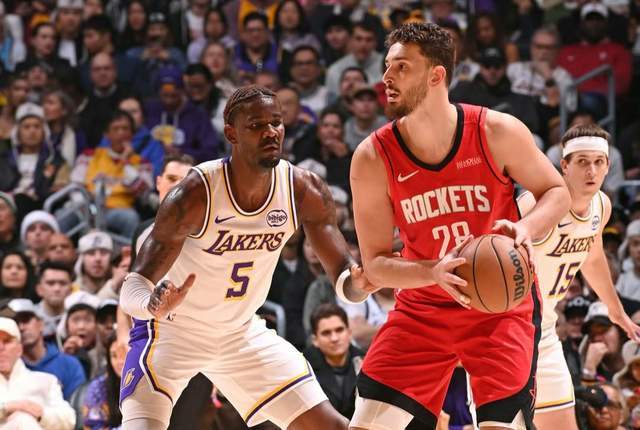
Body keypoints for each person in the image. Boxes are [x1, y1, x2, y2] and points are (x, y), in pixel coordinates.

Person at [349, 22, 571, 429]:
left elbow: (557, 191)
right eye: (387, 66)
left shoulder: (496, 131)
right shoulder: (372, 157)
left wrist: (527, 228)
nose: (386, 77)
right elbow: (376, 264)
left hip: (499, 307)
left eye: (401, 67)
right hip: (422, 309)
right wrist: (432, 272)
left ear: (437, 76)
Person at [119, 85, 372, 429]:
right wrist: (153, 306)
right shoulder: (195, 193)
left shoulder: (303, 189)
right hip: (173, 331)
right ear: (231, 133)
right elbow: (131, 288)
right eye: (256, 125)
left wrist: (359, 284)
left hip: (240, 333)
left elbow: (345, 279)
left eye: (276, 122)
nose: (270, 132)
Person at [516, 124, 640, 430]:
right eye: (582, 161)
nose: (591, 171)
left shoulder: (602, 206)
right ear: (564, 165)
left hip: (544, 331)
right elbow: (490, 256)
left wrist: (615, 309)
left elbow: (593, 257)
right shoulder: (535, 203)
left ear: (608, 166)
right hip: (506, 330)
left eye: (599, 162)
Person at [0, 316, 76, 428]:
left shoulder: (46, 380)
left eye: (7, 341)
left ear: (19, 349)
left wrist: (41, 413)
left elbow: (69, 420)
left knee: (23, 419)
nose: (0, 347)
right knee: (21, 419)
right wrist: (6, 408)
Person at [10, 298, 86, 400]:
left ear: (41, 324)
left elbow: (77, 403)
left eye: (26, 320)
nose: (21, 327)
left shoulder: (68, 364)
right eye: (15, 322)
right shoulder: (7, 367)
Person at [304, 303, 364, 419]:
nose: (334, 338)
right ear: (315, 340)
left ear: (349, 333)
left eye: (339, 330)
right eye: (326, 333)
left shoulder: (365, 361)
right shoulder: (303, 366)